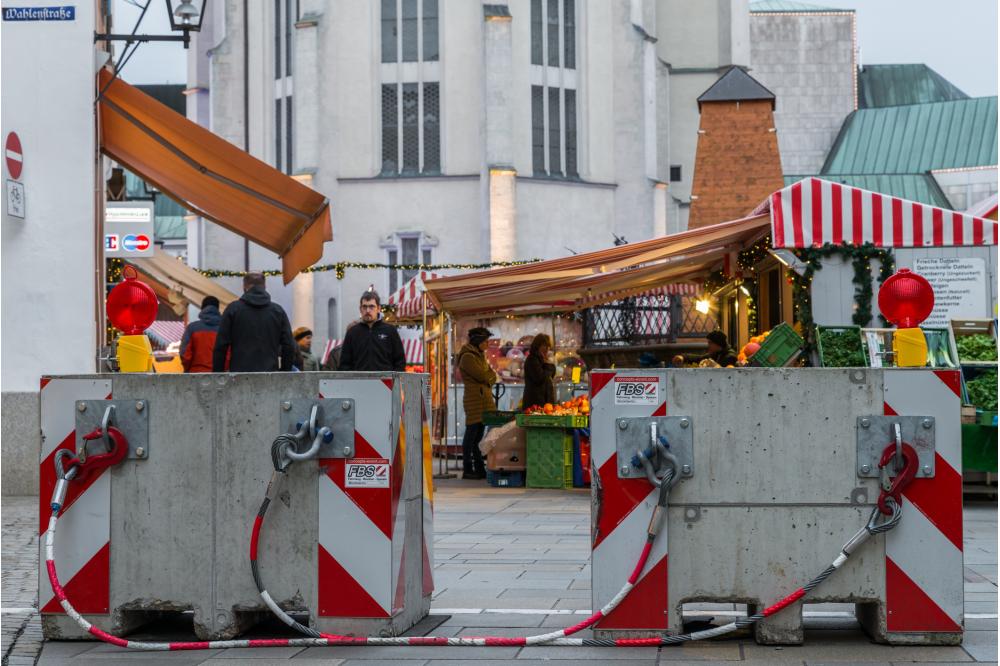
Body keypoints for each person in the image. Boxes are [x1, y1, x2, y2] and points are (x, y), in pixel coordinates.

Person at [212, 272, 295, 372]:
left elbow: (221, 345)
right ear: (264, 286)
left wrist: (218, 374)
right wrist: (284, 372)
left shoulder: (233, 309)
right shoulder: (277, 311)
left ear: (244, 287)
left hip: (239, 375)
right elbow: (289, 345)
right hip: (269, 375)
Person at [457, 327, 496, 479]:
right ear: (478, 341)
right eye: (486, 341)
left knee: (478, 437)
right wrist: (489, 377)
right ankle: (468, 469)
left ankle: (479, 468)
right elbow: (483, 376)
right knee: (471, 436)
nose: (487, 344)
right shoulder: (468, 357)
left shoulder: (479, 356)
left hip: (482, 401)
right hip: (474, 401)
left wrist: (489, 377)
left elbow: (491, 375)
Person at [338, 291, 406, 371]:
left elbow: (400, 361)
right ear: (360, 309)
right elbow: (344, 364)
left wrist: (393, 381)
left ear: (378, 308)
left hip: (385, 382)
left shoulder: (390, 331)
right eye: (364, 307)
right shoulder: (352, 332)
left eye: (371, 307)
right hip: (358, 381)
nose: (367, 310)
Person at [180, 296, 223, 373]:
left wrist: (187, 370)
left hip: (196, 374)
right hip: (218, 376)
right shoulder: (224, 329)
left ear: (202, 308)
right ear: (218, 309)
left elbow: (185, 354)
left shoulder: (192, 328)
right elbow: (229, 354)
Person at [522, 333, 556, 410]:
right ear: (537, 346)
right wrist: (548, 365)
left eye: (548, 346)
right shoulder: (532, 360)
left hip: (545, 404)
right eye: (544, 346)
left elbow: (551, 374)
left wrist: (549, 364)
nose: (546, 349)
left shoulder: (542, 360)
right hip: (535, 404)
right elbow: (540, 378)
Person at [672, 330, 739, 368]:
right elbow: (699, 358)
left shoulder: (730, 357)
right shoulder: (716, 354)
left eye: (710, 343)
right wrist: (683, 357)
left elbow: (719, 370)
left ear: (718, 344)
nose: (708, 345)